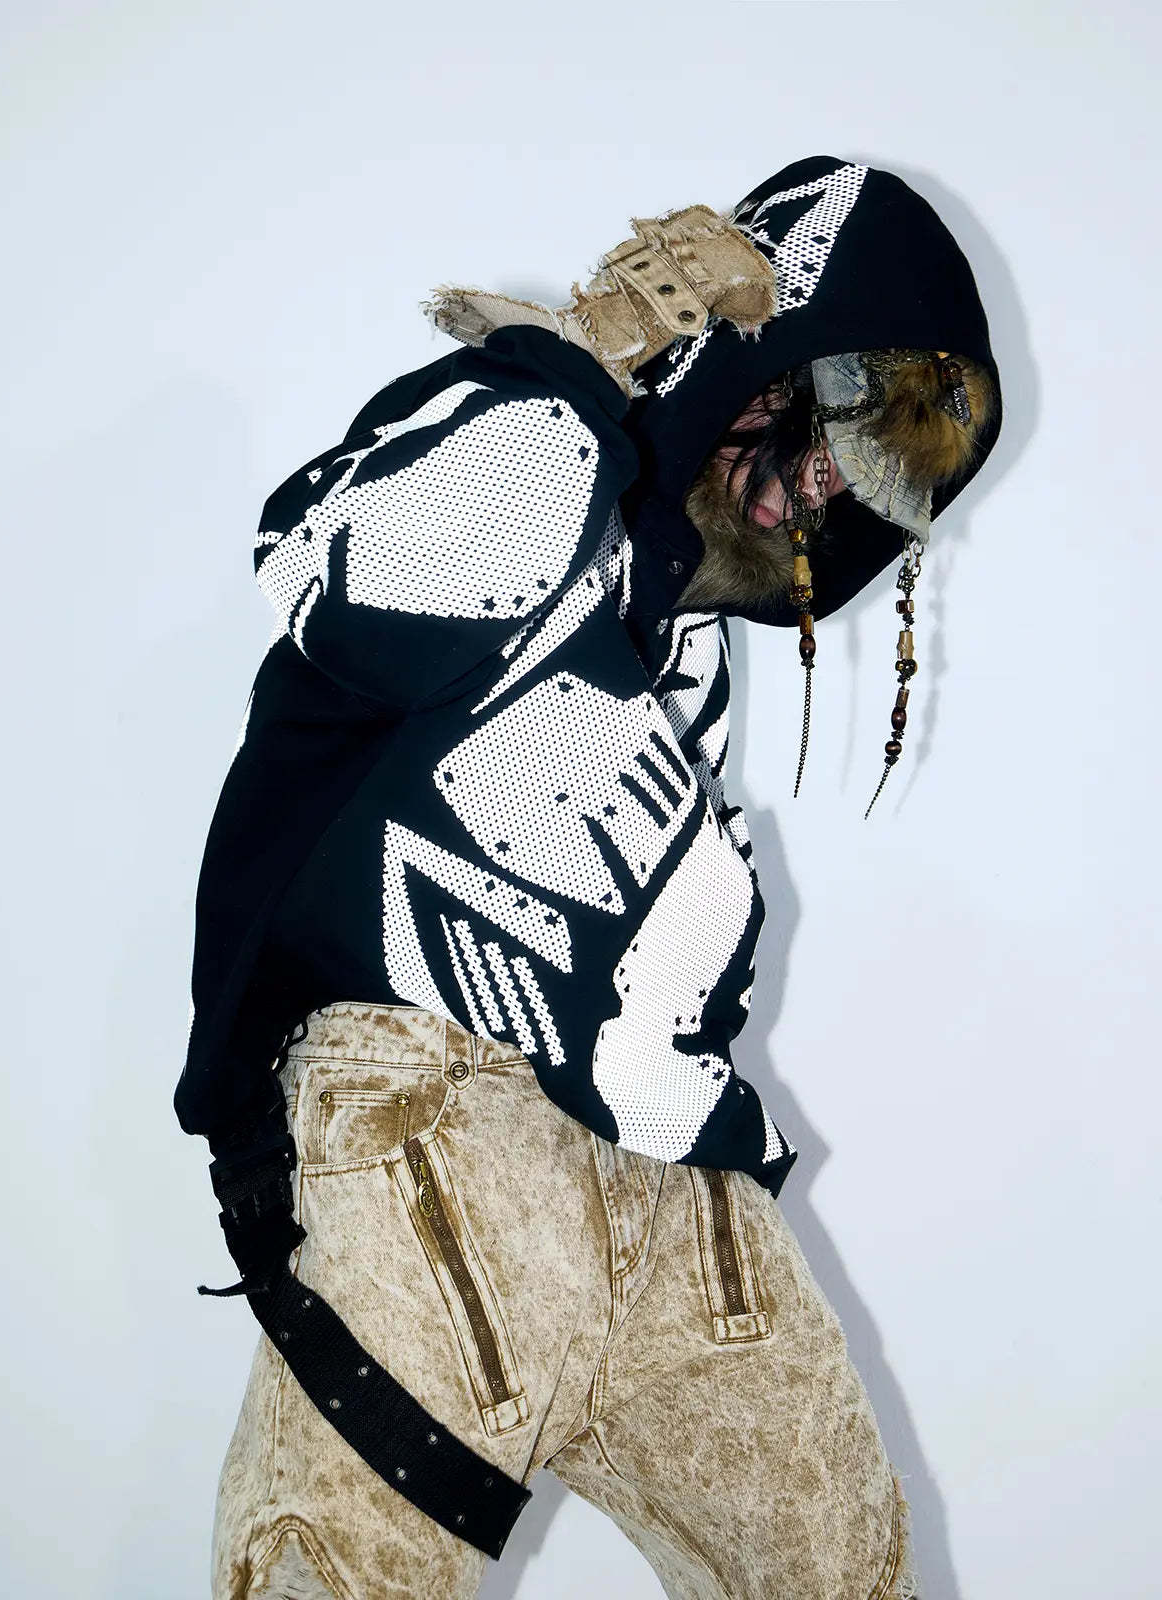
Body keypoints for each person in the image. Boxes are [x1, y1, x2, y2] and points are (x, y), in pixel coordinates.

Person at [180, 155, 1002, 1599]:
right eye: (847, 417)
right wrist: (585, 356)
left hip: (671, 1164)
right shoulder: (541, 456)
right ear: (761, 360)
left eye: (889, 467)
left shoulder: (675, 634)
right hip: (434, 1121)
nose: (832, 488)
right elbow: (334, 564)